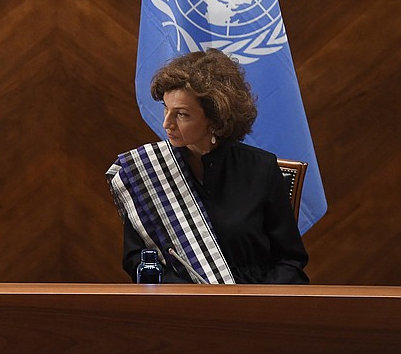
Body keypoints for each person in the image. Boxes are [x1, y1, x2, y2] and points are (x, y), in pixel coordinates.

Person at [107, 49, 309, 284]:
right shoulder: (146, 171)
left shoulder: (261, 169)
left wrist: (254, 305)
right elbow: (136, 258)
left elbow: (290, 260)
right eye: (165, 108)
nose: (166, 124)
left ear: (215, 119)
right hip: (178, 306)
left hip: (253, 306)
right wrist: (190, 297)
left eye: (181, 114)